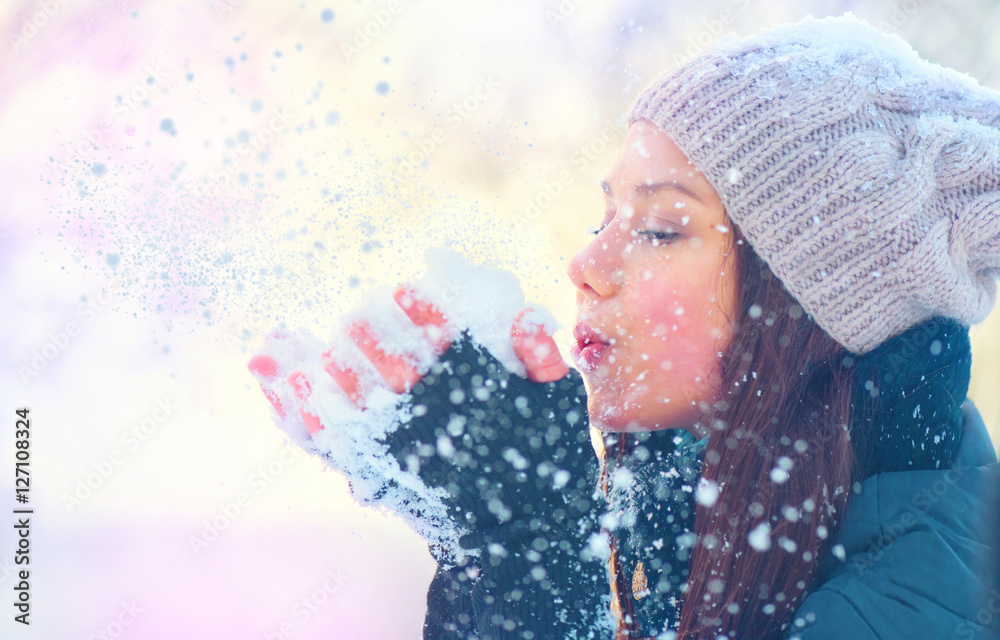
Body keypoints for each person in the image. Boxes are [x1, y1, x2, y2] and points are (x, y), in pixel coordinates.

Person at [248, 14, 1000, 640]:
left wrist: (526, 550)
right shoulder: (740, 518)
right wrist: (475, 535)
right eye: (605, 217)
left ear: (813, 308)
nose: (587, 264)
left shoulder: (912, 612)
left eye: (662, 229)